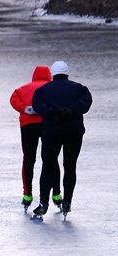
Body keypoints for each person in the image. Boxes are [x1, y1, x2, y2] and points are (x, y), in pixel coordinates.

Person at [31, 61, 93, 218]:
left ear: (52, 74)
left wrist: (53, 113)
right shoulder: (80, 89)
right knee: (70, 166)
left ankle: (43, 203)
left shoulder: (43, 90)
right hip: (74, 132)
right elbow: (86, 103)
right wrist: (71, 111)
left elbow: (37, 105)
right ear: (67, 73)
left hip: (52, 132)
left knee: (48, 166)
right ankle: (67, 203)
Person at [9, 65, 59, 211]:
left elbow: (13, 99)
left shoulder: (22, 89)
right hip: (47, 124)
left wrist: (25, 108)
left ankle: (27, 195)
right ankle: (56, 194)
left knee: (29, 159)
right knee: (51, 159)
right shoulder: (51, 87)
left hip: (27, 125)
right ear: (49, 75)